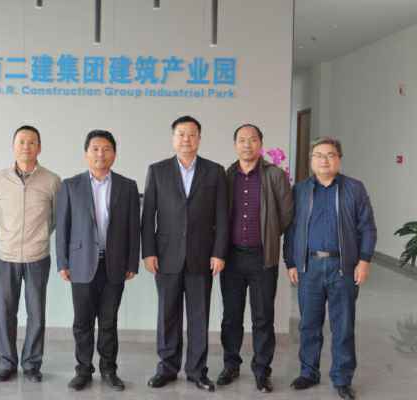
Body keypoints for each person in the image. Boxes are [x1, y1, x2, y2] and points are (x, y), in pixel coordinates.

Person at [284, 137, 377, 400]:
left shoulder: (354, 188)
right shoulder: (300, 190)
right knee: (309, 325)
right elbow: (291, 229)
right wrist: (291, 262)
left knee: (343, 326)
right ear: (311, 160)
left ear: (339, 159)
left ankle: (342, 379)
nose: (324, 160)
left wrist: (364, 260)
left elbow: (367, 227)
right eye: (319, 155)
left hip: (343, 267)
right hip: (309, 267)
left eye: (330, 155)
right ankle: (308, 372)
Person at [142, 115, 228, 392]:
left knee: (199, 316)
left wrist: (219, 252)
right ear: (173, 138)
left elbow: (222, 216)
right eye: (181, 134)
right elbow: (148, 216)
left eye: (192, 134)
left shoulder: (215, 171)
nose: (186, 139)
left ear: (199, 139)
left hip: (202, 256)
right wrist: (148, 252)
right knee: (167, 314)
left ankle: (197, 371)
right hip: (166, 255)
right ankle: (166, 368)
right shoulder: (157, 171)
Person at [56, 130, 140, 391]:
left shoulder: (127, 186)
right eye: (95, 149)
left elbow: (133, 228)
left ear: (114, 154)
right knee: (82, 322)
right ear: (86, 154)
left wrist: (132, 263)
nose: (100, 154)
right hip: (80, 264)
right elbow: (63, 226)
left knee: (108, 322)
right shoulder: (70, 185)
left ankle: (109, 370)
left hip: (114, 264)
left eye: (106, 149)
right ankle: (83, 370)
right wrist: (62, 262)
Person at [217, 124, 293, 393]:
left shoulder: (274, 175)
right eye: (242, 140)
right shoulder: (226, 176)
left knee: (263, 317)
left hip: (262, 258)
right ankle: (231, 365)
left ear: (261, 143)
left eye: (252, 140)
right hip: (232, 258)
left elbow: (286, 215)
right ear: (235, 145)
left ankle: (262, 371)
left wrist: (269, 234)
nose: (247, 144)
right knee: (231, 316)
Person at [0, 125, 60, 383]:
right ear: (13, 146)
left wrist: (39, 236)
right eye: (21, 142)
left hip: (37, 256)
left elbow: (55, 218)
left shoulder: (52, 180)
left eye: (32, 142)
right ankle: (6, 363)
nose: (26, 147)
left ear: (39, 147)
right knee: (6, 312)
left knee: (36, 313)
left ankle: (31, 364)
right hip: (6, 256)